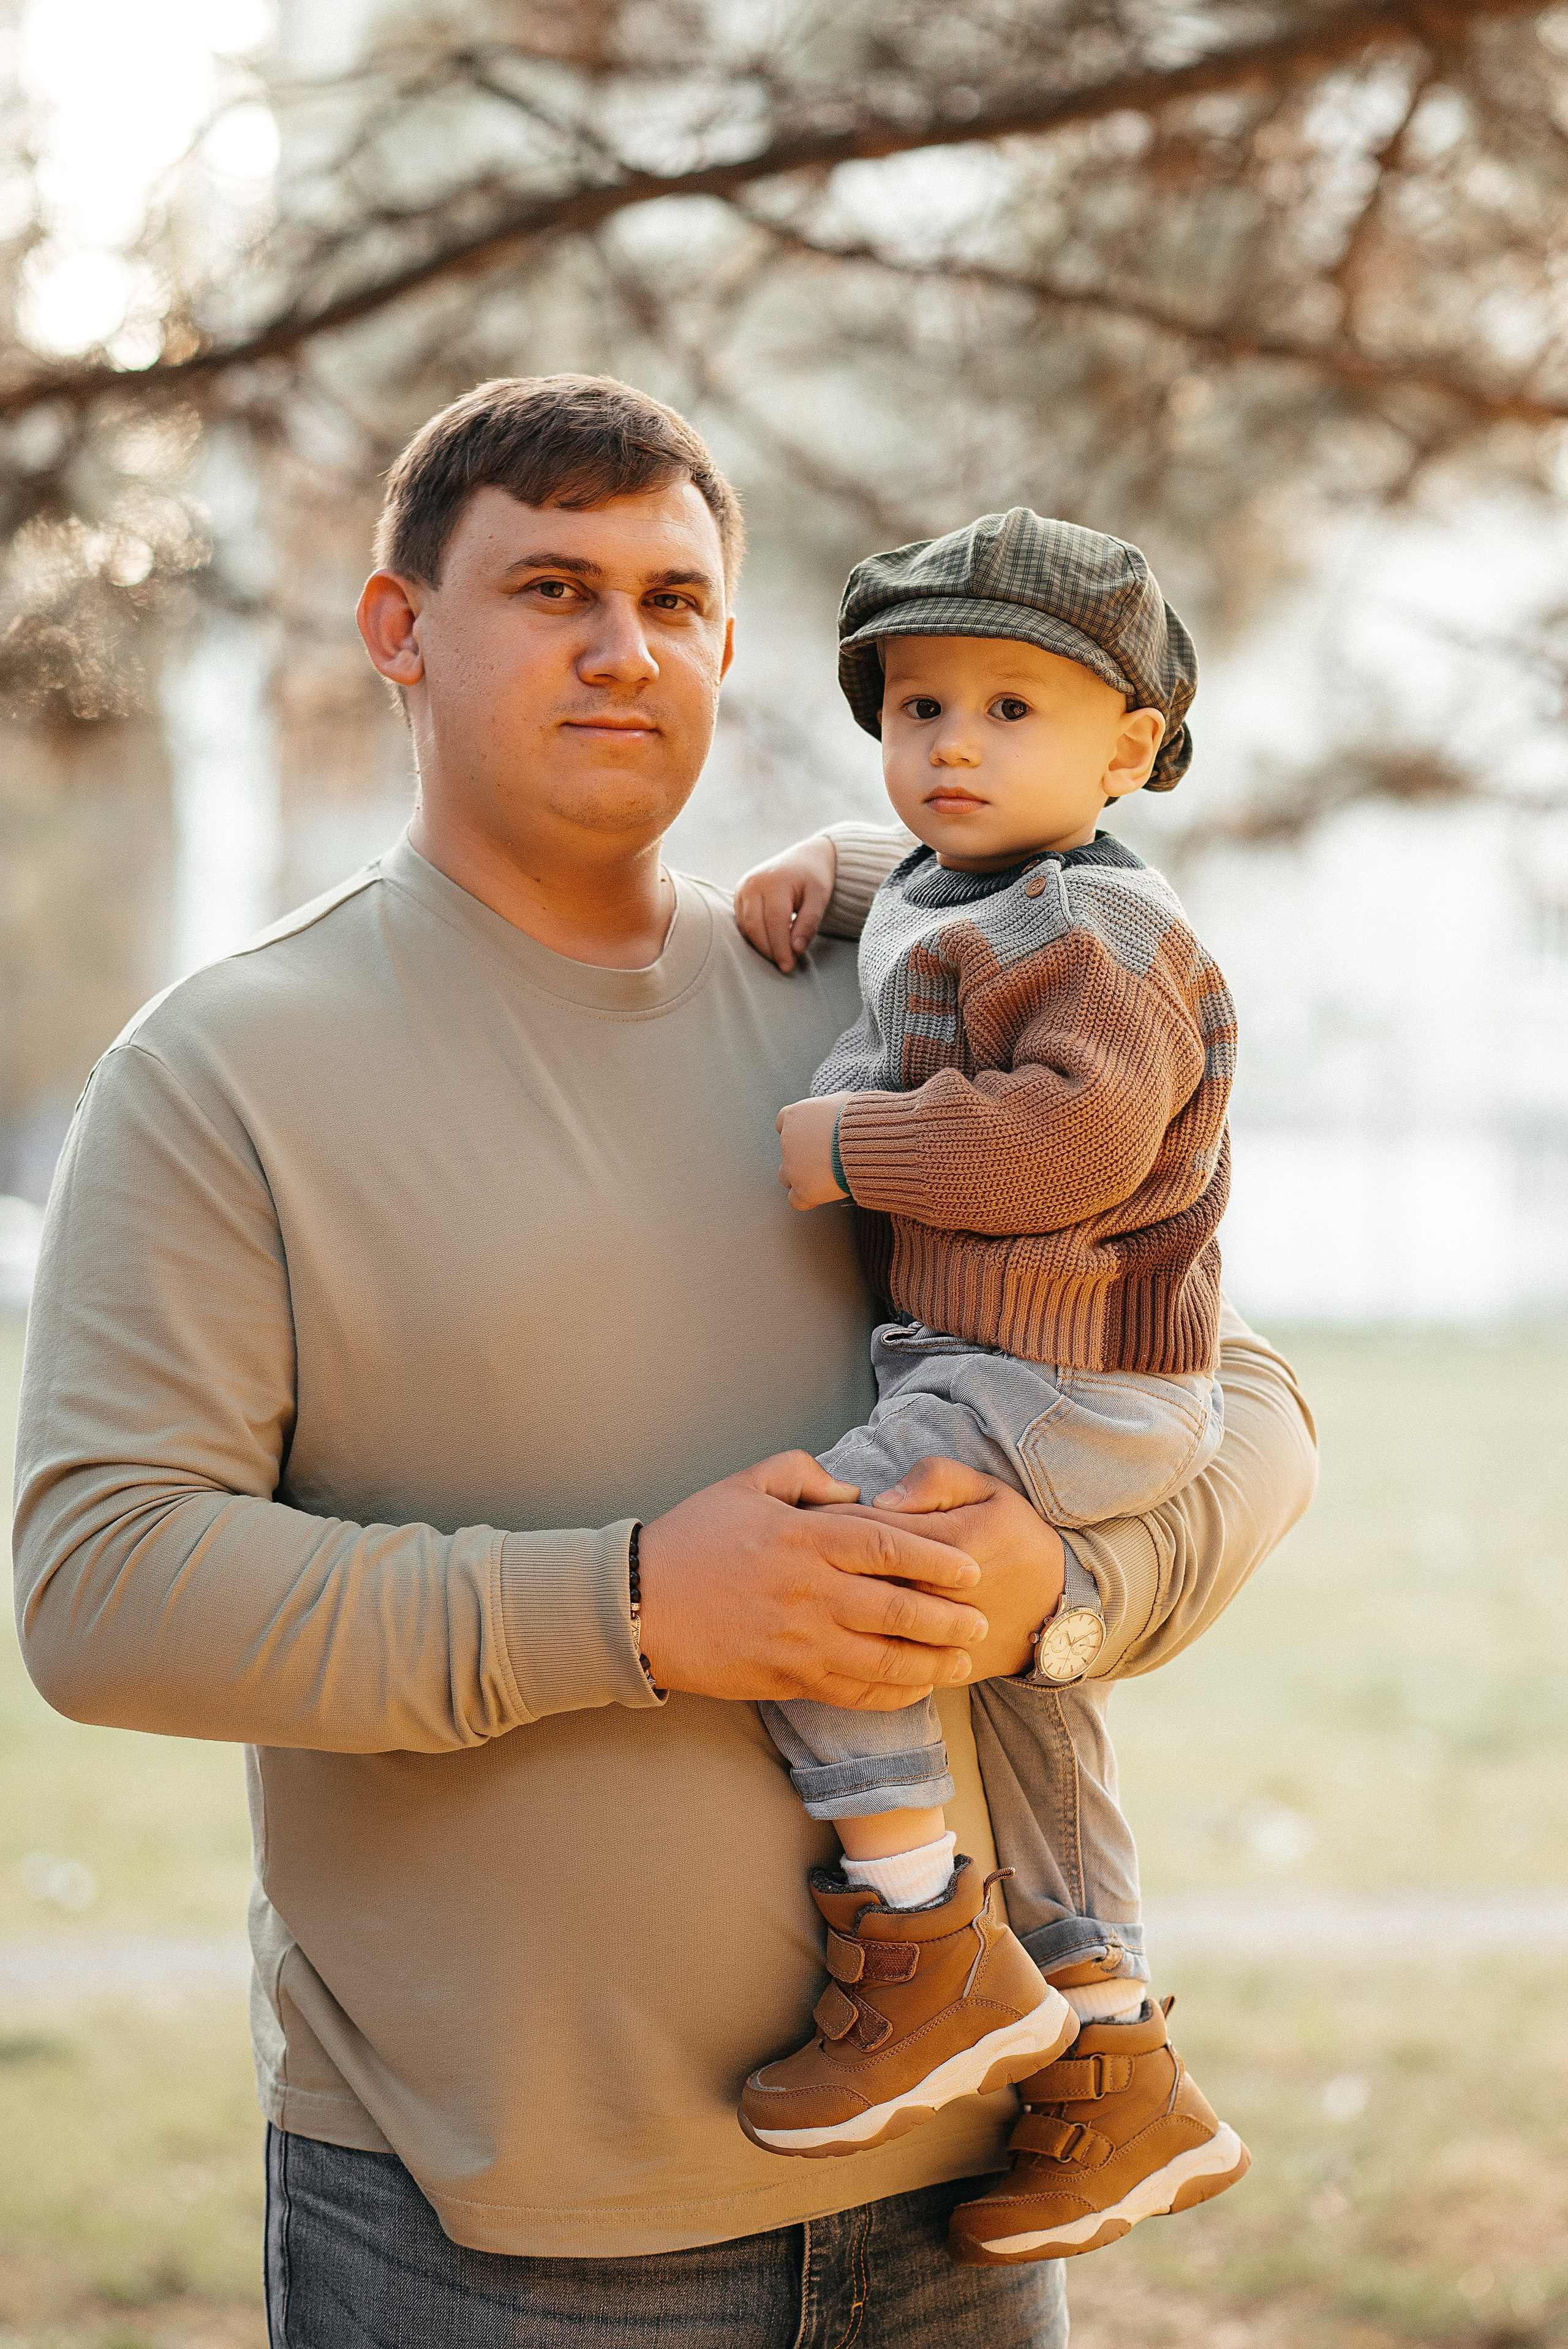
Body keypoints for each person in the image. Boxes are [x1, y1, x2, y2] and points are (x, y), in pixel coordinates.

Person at [12, 375, 1317, 2349]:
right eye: (554, 587)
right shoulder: (222, 1071)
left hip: (970, 2207)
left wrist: (1062, 1587)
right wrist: (632, 1608)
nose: (627, 647)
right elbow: (104, 1593)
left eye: (678, 599)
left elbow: (1242, 1396)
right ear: (399, 628)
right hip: (502, 2224)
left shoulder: (892, 979)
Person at [730, 507, 1248, 2267]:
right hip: (1043, 1368)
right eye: (919, 709)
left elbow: (1073, 1136)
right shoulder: (986, 880)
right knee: (1021, 1683)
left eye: (1012, 711)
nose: (953, 746)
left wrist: (855, 1146)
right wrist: (831, 863)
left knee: (840, 1575)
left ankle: (921, 1938)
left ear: (1130, 752)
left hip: (1063, 1367)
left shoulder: (1101, 935)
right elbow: (935, 893)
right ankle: (1116, 2061)